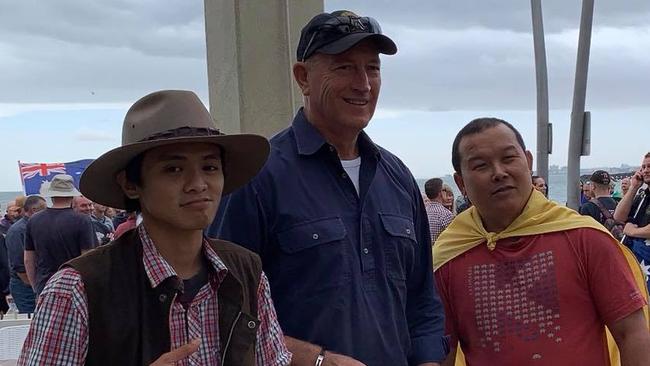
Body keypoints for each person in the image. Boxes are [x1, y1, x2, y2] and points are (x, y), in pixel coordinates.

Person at [210, 11, 446, 366]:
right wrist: (317, 361)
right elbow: (221, 310)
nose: (363, 83)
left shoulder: (397, 177)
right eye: (344, 67)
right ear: (302, 77)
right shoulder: (257, 178)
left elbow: (421, 300)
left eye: (373, 68)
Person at [19, 90, 290, 366]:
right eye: (173, 169)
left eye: (210, 166)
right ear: (130, 184)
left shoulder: (246, 272)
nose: (198, 184)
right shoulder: (77, 289)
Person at [433, 118, 649, 366]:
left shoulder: (585, 238)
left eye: (508, 158)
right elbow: (441, 353)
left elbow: (632, 333)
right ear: (460, 182)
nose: (499, 173)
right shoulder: (448, 258)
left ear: (527, 161)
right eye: (481, 165)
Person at [23, 174, 96, 296]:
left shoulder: (33, 220)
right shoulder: (82, 220)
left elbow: (28, 259)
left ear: (52, 195)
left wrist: (36, 287)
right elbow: (87, 258)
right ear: (72, 196)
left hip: (44, 285)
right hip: (73, 286)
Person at [614, 152, 650, 287]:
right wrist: (634, 187)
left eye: (649, 166)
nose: (646, 170)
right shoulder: (642, 195)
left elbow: (629, 229)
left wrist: (632, 232)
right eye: (643, 167)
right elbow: (618, 216)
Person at [5, 195, 46, 313]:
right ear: (34, 210)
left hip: (37, 282)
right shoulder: (17, 231)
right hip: (25, 286)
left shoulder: (36, 226)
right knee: (30, 318)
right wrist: (34, 288)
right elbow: (19, 265)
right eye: (44, 209)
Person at [424, 178, 454, 245]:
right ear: (440, 193)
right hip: (440, 253)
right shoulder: (445, 214)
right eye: (444, 190)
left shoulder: (423, 212)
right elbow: (454, 238)